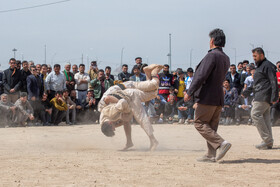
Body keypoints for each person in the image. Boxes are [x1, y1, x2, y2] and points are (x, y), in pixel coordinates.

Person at [184, 28, 231, 162]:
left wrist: (190, 92)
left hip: (207, 96)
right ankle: (211, 154)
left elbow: (200, 76)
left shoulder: (212, 55)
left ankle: (222, 143)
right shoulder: (225, 57)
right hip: (218, 97)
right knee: (211, 126)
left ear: (212, 41)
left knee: (199, 123)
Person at [99, 64, 162, 151]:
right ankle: (147, 72)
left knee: (153, 91)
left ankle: (154, 73)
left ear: (110, 123)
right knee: (126, 120)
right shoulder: (104, 120)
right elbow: (121, 120)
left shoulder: (110, 113)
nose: (115, 129)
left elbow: (110, 99)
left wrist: (128, 111)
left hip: (128, 93)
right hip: (123, 89)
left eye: (113, 129)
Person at [251, 47, 278, 150]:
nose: (254, 58)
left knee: (255, 114)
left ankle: (267, 140)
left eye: (255, 56)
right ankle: (268, 142)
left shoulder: (267, 65)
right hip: (260, 94)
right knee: (265, 118)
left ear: (261, 55)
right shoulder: (260, 66)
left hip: (264, 95)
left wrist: (274, 96)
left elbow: (273, 81)